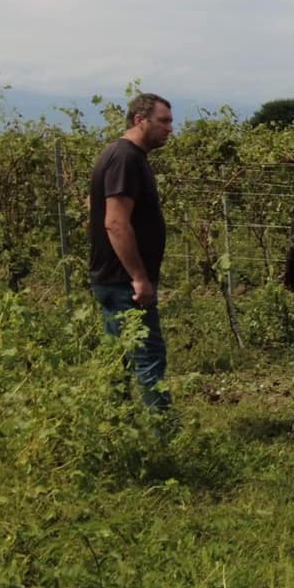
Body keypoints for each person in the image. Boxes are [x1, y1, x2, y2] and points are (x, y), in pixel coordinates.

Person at [87, 92, 174, 413]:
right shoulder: (125, 159)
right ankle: (165, 432)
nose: (170, 129)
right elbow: (115, 222)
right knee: (148, 358)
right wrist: (139, 277)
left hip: (114, 278)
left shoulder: (123, 156)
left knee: (119, 360)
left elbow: (95, 206)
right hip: (124, 282)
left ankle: (116, 425)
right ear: (140, 120)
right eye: (163, 121)